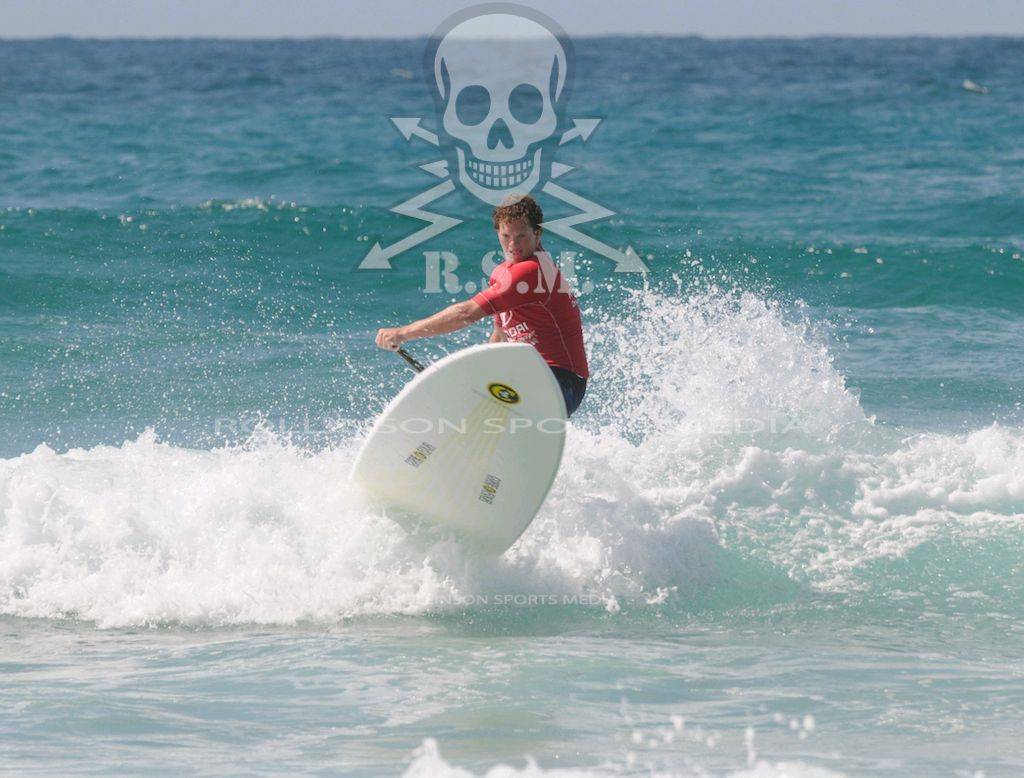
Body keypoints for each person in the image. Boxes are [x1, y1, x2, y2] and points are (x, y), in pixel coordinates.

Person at [375, 194, 588, 416]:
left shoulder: (531, 271)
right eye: (506, 236)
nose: (513, 245)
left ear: (537, 233)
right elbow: (500, 336)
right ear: (497, 233)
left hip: (561, 383)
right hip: (533, 377)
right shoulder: (504, 273)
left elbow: (466, 313)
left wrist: (403, 333)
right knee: (476, 400)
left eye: (521, 236)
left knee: (488, 407)